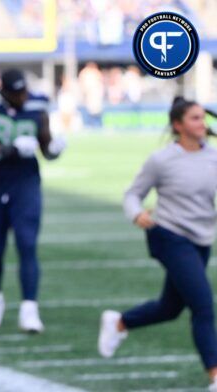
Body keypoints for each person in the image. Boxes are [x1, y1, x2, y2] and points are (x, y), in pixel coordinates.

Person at [98, 97, 217, 390]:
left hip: (201, 238)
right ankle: (215, 375)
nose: (202, 123)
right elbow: (132, 193)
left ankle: (120, 322)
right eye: (195, 118)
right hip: (168, 235)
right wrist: (136, 213)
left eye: (203, 118)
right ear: (178, 125)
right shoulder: (161, 160)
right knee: (203, 306)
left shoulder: (213, 156)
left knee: (170, 307)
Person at [0, 68, 66, 333]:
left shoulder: (37, 104)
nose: (21, 98)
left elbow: (46, 146)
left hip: (25, 181)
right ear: (3, 91)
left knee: (27, 243)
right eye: (15, 93)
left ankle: (29, 308)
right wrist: (7, 149)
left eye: (23, 91)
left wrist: (55, 149)